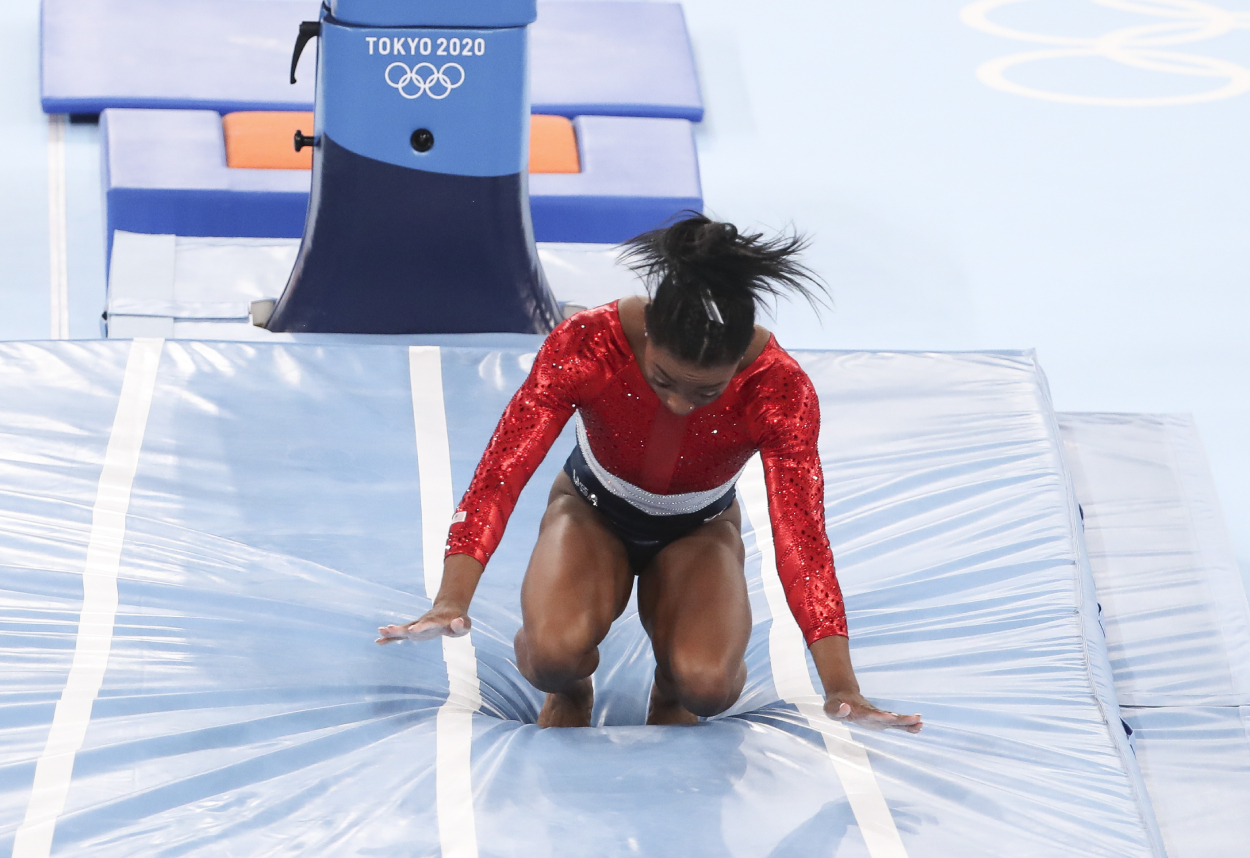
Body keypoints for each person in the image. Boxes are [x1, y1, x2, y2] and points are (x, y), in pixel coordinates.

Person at [377, 215, 922, 733]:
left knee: (706, 685)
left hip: (700, 530)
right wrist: (452, 598)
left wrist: (841, 684)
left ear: (739, 360)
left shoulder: (779, 390)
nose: (682, 405)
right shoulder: (588, 343)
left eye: (707, 392)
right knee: (551, 655)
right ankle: (570, 690)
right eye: (663, 380)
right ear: (648, 336)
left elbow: (803, 539)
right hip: (591, 511)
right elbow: (501, 471)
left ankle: (671, 688)